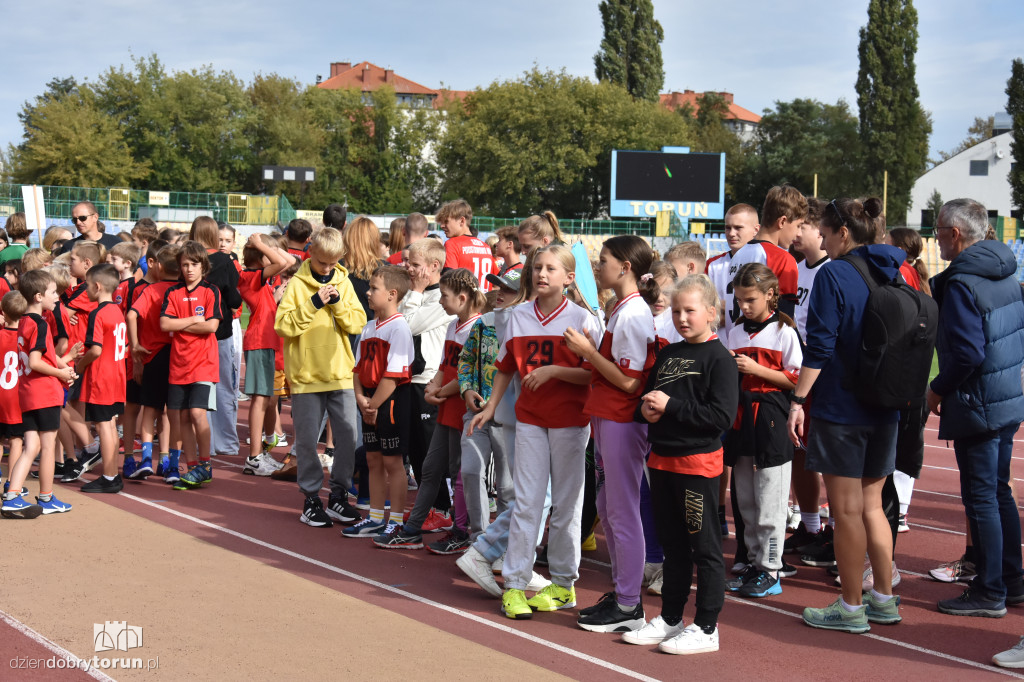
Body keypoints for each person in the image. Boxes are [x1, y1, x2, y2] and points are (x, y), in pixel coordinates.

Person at [789, 197, 903, 633]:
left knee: (846, 511)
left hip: (842, 407)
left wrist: (798, 401)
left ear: (842, 233)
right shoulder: (894, 268)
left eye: (824, 228)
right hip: (885, 404)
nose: (820, 235)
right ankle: (883, 598)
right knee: (874, 507)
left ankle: (851, 607)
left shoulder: (835, 273)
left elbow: (819, 346)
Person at [470, 245, 601, 620]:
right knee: (526, 502)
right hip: (529, 421)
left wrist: (556, 372)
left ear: (569, 278)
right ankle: (514, 584)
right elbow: (506, 367)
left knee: (566, 506)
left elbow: (595, 371)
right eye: (537, 268)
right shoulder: (516, 317)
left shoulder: (582, 319)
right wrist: (492, 406)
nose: (542, 274)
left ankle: (563, 584)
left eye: (550, 269)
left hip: (572, 423)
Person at [624, 274, 738, 654]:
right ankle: (671, 618)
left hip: (696, 466)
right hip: (661, 462)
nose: (682, 318)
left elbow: (720, 417)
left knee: (703, 548)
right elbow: (647, 401)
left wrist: (670, 407)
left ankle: (707, 627)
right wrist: (647, 411)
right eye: (676, 311)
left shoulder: (720, 359)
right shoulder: (670, 354)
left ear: (711, 311)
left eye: (690, 310)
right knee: (673, 546)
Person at [926, 198, 1024, 618]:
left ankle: (989, 591)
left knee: (982, 497)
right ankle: (1011, 581)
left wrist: (937, 390)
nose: (935, 238)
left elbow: (967, 352)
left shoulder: (962, 282)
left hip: (978, 401)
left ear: (954, 234)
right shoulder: (1004, 270)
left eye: (938, 230)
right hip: (1003, 397)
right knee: (998, 494)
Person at [565, 235, 657, 633]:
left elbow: (629, 382)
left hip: (622, 419)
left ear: (625, 267)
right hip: (606, 416)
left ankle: (628, 603)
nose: (597, 267)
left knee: (622, 510)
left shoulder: (634, 314)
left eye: (603, 261)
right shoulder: (622, 309)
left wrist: (588, 352)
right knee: (608, 503)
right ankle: (623, 595)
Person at [374, 268, 485, 552]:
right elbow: (443, 367)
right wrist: (433, 386)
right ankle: (412, 530)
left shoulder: (478, 328)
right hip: (447, 406)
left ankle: (463, 530)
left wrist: (439, 390)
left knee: (459, 473)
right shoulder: (452, 326)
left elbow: (468, 376)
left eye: (445, 297)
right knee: (431, 468)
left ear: (462, 298)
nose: (440, 302)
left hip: (463, 409)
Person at [274, 227, 366, 528]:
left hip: (340, 374)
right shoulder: (297, 284)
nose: (327, 268)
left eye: (332, 262)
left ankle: (338, 495)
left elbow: (357, 323)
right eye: (322, 262)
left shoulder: (344, 281)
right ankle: (311, 499)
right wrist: (314, 303)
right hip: (307, 376)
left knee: (349, 438)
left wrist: (337, 302)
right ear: (310, 252)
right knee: (307, 442)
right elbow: (284, 326)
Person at [723, 264, 801, 598]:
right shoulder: (737, 331)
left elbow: (797, 379)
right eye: (739, 300)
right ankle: (754, 563)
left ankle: (771, 568)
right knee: (746, 499)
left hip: (771, 418)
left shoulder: (784, 331)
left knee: (770, 496)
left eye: (750, 299)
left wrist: (757, 369)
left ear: (771, 295)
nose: (744, 307)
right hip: (742, 419)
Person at [344, 266, 415, 537]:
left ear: (392, 294)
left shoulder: (399, 328)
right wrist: (361, 398)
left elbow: (393, 376)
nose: (368, 292)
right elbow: (358, 369)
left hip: (391, 402)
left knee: (393, 462)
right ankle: (374, 517)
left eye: (374, 288)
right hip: (371, 401)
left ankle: (395, 519)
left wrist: (371, 405)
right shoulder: (369, 327)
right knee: (373, 459)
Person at [1, 270, 77, 518]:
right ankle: (45, 497)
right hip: (44, 393)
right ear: (38, 296)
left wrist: (63, 364)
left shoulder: (24, 321)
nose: (57, 297)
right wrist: (60, 373)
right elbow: (35, 361)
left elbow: (43, 355)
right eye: (53, 292)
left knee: (29, 446)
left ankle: (12, 495)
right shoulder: (41, 323)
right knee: (46, 446)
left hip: (27, 393)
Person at [399, 237, 456, 528]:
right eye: (408, 262)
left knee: (431, 450)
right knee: (417, 450)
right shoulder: (416, 294)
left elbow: (406, 324)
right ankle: (428, 506)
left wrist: (416, 292)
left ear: (434, 266)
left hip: (429, 381)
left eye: (415, 264)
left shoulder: (439, 298)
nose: (409, 268)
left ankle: (444, 510)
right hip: (410, 379)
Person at [784, 198, 829, 555]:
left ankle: (838, 533)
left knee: (826, 454)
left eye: (803, 226)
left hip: (823, 375)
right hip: (797, 373)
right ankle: (810, 526)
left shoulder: (834, 270)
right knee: (799, 450)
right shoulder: (797, 269)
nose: (796, 233)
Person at [160, 241, 221, 491]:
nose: (188, 269)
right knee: (181, 417)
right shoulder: (173, 293)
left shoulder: (210, 291)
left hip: (203, 363)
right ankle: (191, 465)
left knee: (197, 413)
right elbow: (165, 324)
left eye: (193, 264)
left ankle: (205, 464)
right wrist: (193, 319)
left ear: (203, 266)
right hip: (179, 364)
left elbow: (211, 326)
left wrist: (181, 323)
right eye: (184, 265)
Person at [189, 217, 242, 458]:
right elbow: (234, 299)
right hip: (220, 332)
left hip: (192, 334)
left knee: (199, 390)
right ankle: (226, 443)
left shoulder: (188, 260)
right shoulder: (223, 260)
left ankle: (204, 445)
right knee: (223, 388)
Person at [239, 234, 292, 476]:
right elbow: (281, 264)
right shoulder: (250, 276)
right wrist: (261, 245)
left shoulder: (259, 279)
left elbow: (288, 261)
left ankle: (259, 453)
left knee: (266, 398)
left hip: (266, 341)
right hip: (259, 341)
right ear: (260, 257)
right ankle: (254, 456)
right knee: (260, 400)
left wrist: (267, 246)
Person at [128, 245, 181, 482]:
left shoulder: (149, 290)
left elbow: (131, 315)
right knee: (172, 412)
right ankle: (169, 462)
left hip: (153, 354)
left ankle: (146, 459)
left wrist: (135, 344)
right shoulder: (182, 290)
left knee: (150, 409)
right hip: (179, 354)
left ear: (158, 265)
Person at [77, 264, 127, 493]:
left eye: (87, 285)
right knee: (111, 425)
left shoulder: (99, 313)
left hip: (102, 377)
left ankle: (109, 476)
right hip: (116, 375)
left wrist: (79, 365)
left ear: (97, 286)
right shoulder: (117, 310)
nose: (85, 289)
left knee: (104, 426)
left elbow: (95, 349)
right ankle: (112, 474)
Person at [438, 200, 498, 291]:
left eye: (446, 221)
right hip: (484, 302)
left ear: (462, 221)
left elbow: (449, 282)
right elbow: (499, 280)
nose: (442, 226)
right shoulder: (485, 246)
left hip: (464, 302)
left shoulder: (452, 244)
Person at [0, 292, 26, 496]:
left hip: (0, 394)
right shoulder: (25, 338)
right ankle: (11, 482)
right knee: (16, 439)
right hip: (17, 398)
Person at [343, 217, 385, 322]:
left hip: (346, 329)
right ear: (375, 239)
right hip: (377, 330)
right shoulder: (386, 269)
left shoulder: (337, 269)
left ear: (348, 238)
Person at [58, 202, 123, 254]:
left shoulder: (115, 242)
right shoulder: (69, 246)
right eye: (75, 220)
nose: (78, 222)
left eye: (82, 218)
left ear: (95, 217)